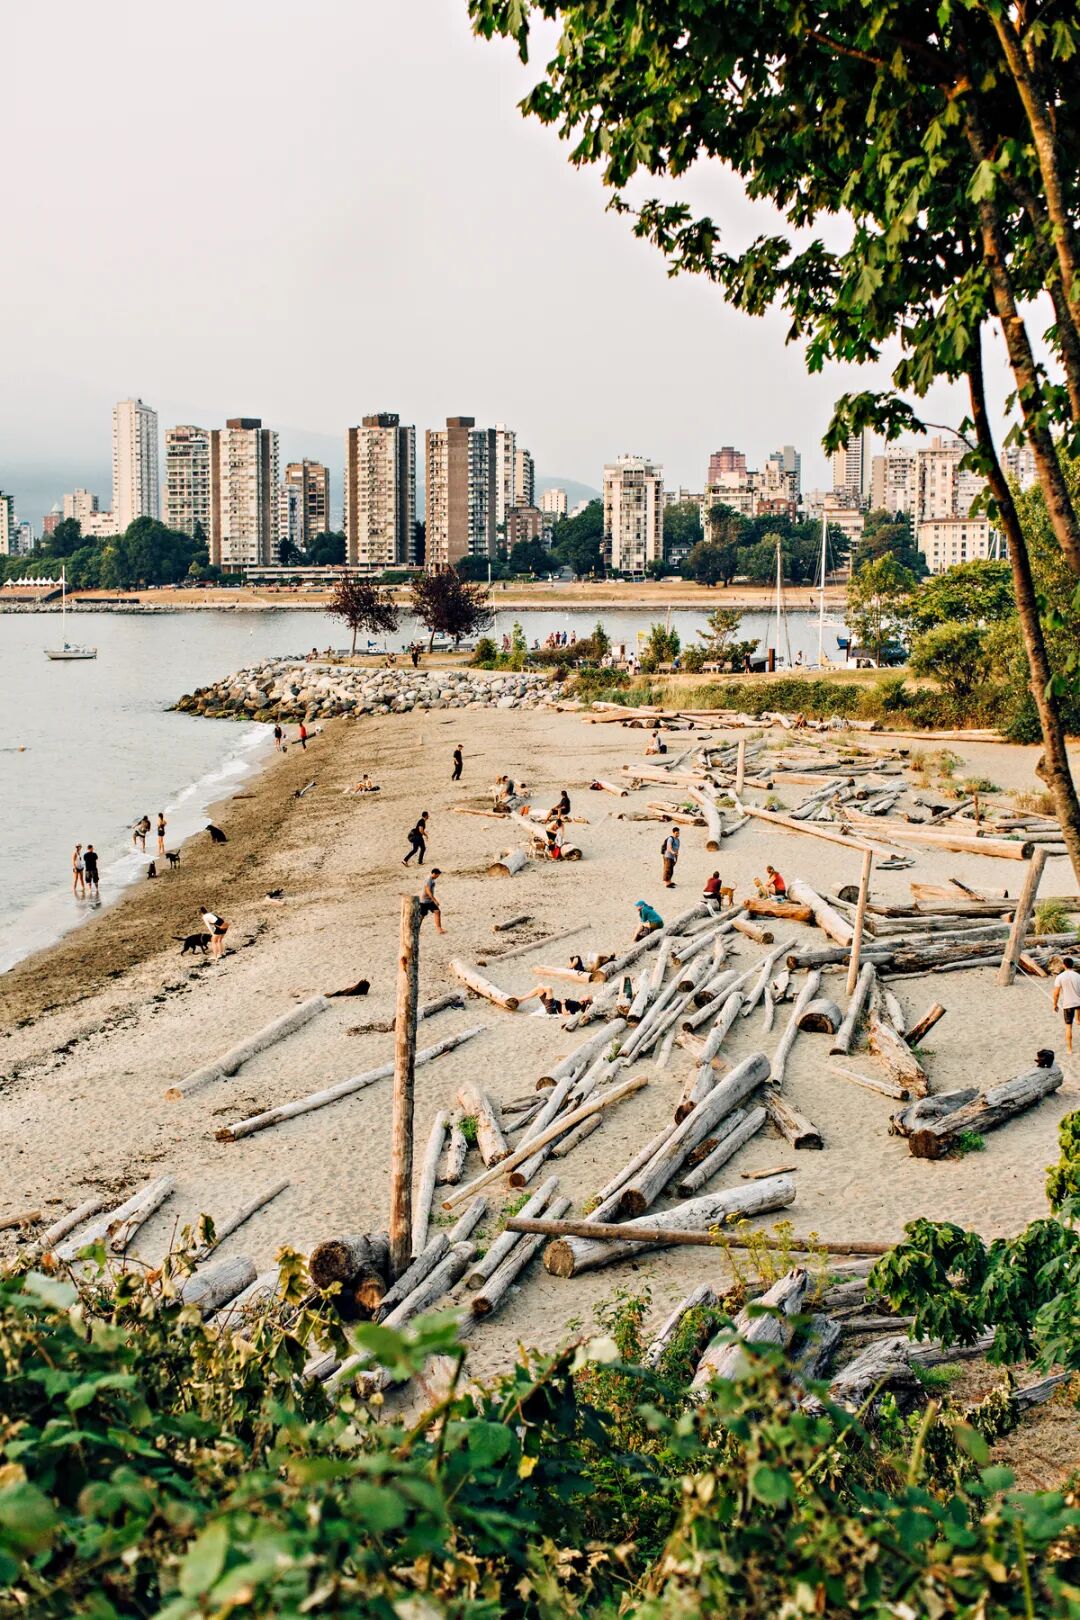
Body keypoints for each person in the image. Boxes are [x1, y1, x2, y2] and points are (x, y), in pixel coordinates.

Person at [1052, 956, 1080, 1053]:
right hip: (1078, 1002)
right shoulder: (1078, 976)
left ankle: (1069, 1049)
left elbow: (1056, 993)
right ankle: (1078, 1019)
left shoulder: (1060, 977)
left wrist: (1055, 1005)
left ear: (1064, 965)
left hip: (1068, 1004)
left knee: (1068, 1027)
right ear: (1073, 965)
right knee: (1078, 1006)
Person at [419, 868, 445, 934]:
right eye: (437, 875)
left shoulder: (432, 879)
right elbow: (427, 891)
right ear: (434, 873)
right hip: (424, 901)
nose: (437, 877)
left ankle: (439, 928)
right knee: (422, 916)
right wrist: (435, 900)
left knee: (437, 911)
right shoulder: (428, 879)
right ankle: (416, 929)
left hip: (429, 900)